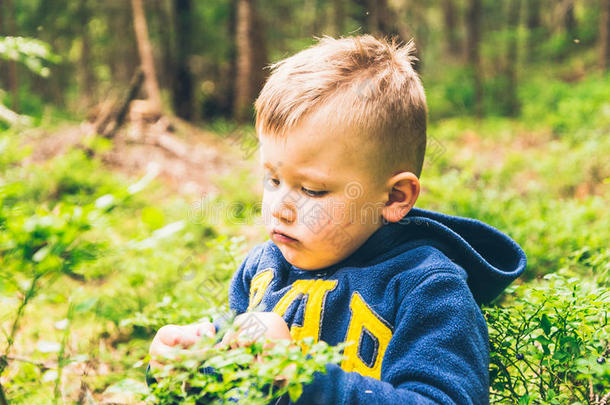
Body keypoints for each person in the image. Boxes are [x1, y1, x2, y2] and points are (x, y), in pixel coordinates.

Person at [148, 34, 527, 404]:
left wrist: (299, 373)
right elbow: (231, 386)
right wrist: (188, 366)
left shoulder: (426, 289)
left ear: (395, 197)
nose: (280, 207)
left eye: (312, 190)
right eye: (273, 180)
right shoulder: (262, 268)